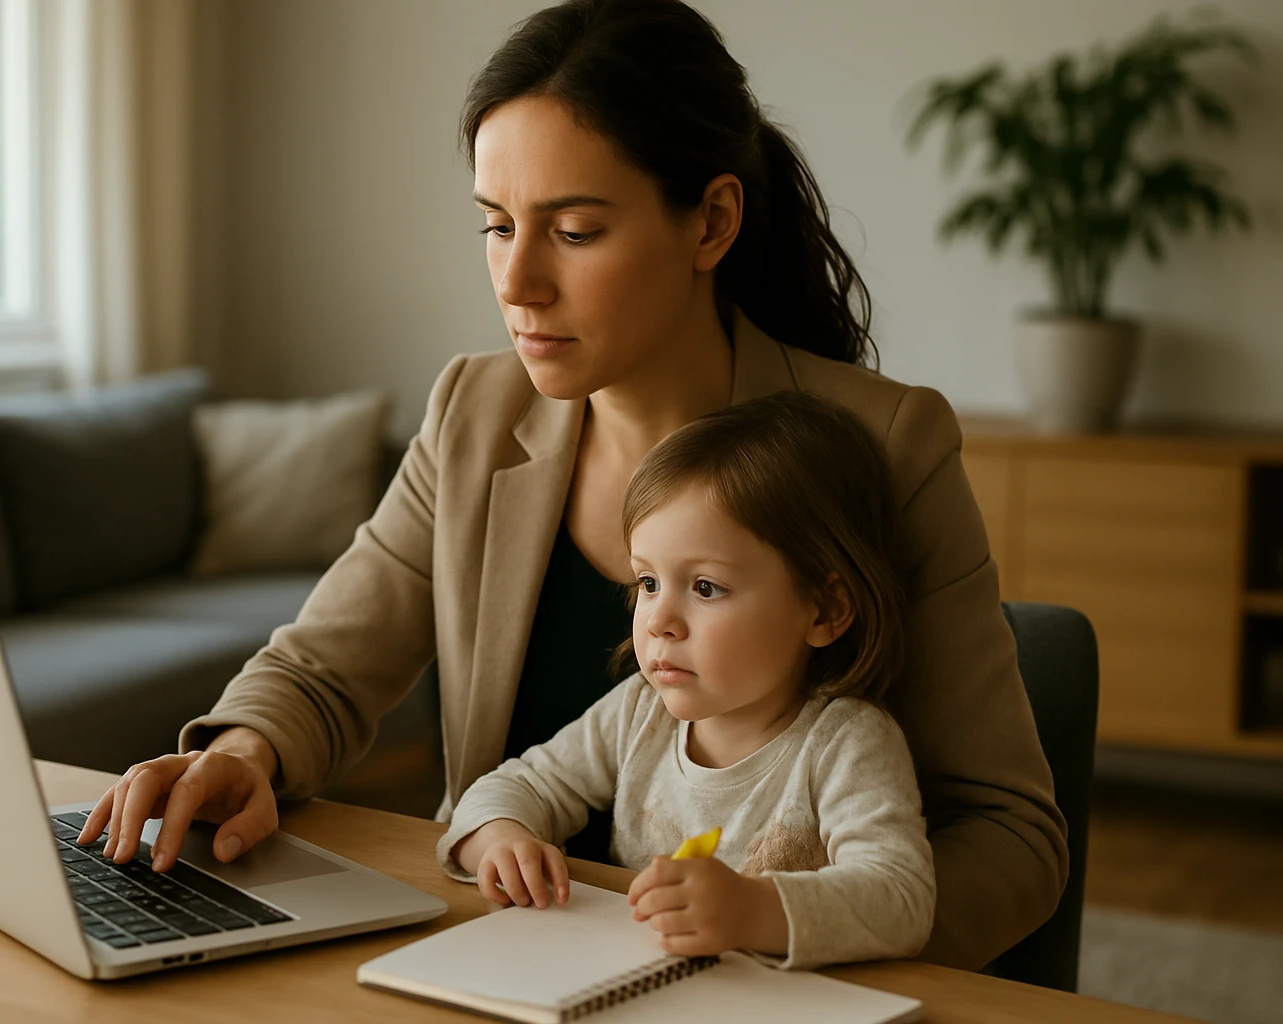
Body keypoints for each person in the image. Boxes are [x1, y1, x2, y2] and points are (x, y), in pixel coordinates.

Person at [78, 0, 1067, 970]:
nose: (517, 284)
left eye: (576, 230)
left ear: (712, 221)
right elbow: (324, 669)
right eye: (497, 225)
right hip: (499, 957)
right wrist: (242, 752)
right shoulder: (472, 413)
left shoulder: (886, 443)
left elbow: (1012, 836)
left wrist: (782, 942)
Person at [442, 392, 935, 970]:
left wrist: (752, 909)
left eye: (705, 587)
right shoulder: (638, 712)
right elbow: (515, 786)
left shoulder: (845, 743)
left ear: (824, 610)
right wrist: (500, 838)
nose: (659, 621)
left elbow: (901, 897)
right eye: (648, 583)